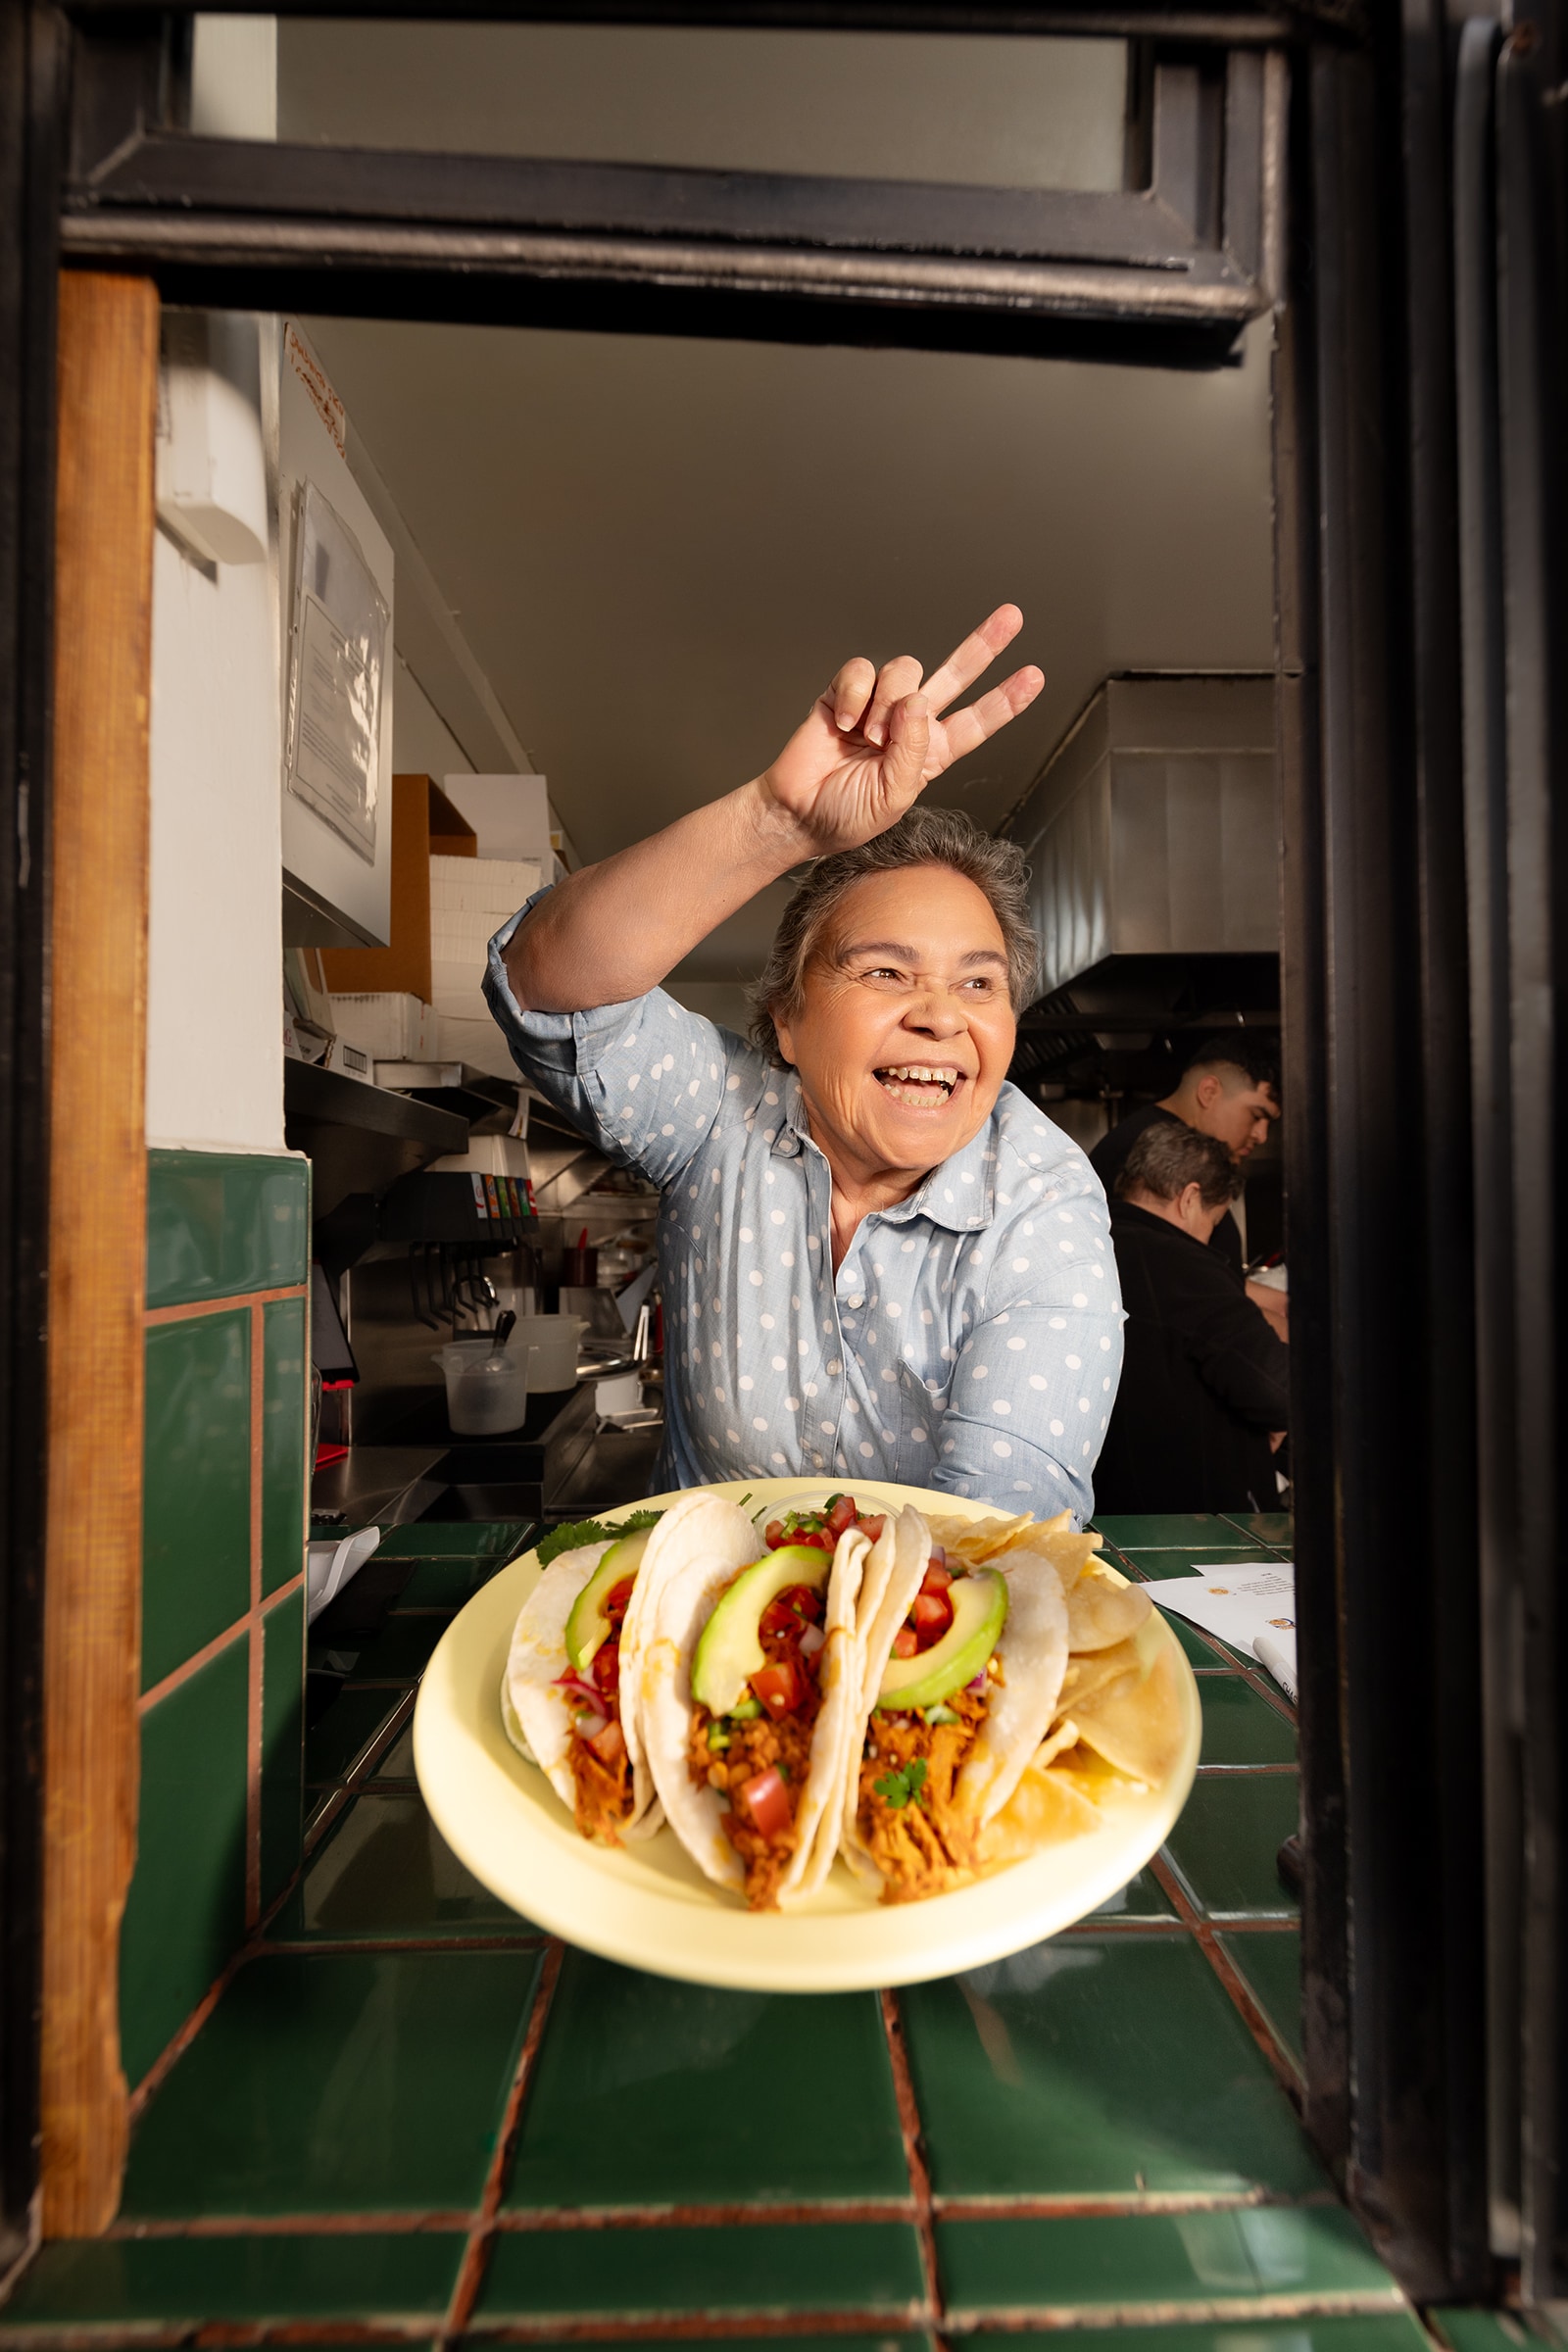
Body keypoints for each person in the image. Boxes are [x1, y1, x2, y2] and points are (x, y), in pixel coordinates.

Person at [483, 605, 1123, 1522]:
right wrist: (776, 820)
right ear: (787, 1019)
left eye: (978, 984)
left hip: (925, 1611)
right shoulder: (722, 1117)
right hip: (698, 1599)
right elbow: (546, 988)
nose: (941, 1016)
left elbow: (999, 1527)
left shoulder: (1042, 1201)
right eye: (886, 971)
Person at [1094, 1121, 1289, 1515]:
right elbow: (1277, 1391)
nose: (1208, 1236)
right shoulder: (1190, 1270)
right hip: (1198, 1525)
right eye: (1213, 1222)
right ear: (1189, 1198)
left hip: (1102, 1514)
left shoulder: (1089, 1246)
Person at [1090, 1033, 1280, 1283]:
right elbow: (1173, 1284)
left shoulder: (1189, 1153)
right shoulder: (1149, 1151)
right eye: (1256, 1115)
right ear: (1209, 1091)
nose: (1262, 1135)